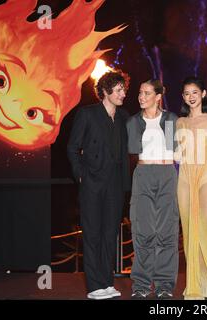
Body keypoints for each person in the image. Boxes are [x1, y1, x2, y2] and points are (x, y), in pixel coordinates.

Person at [67, 71, 131, 300]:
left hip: (115, 183)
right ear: (105, 91)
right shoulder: (87, 114)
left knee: (109, 234)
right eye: (118, 90)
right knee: (92, 233)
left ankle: (106, 282)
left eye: (124, 89)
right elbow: (72, 148)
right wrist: (81, 175)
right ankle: (94, 287)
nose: (123, 93)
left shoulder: (124, 117)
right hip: (92, 182)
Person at [126, 79, 179, 299]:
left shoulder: (170, 119)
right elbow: (131, 150)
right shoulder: (133, 122)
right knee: (143, 232)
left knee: (167, 232)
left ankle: (165, 284)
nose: (141, 97)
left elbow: (177, 149)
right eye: (140, 93)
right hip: (143, 174)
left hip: (167, 173)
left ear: (158, 97)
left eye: (147, 93)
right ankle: (141, 285)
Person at [175, 76, 207, 300]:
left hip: (206, 175)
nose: (191, 97)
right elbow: (175, 153)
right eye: (186, 93)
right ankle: (195, 285)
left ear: (203, 94)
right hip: (185, 177)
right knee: (190, 230)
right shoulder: (179, 122)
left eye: (195, 92)